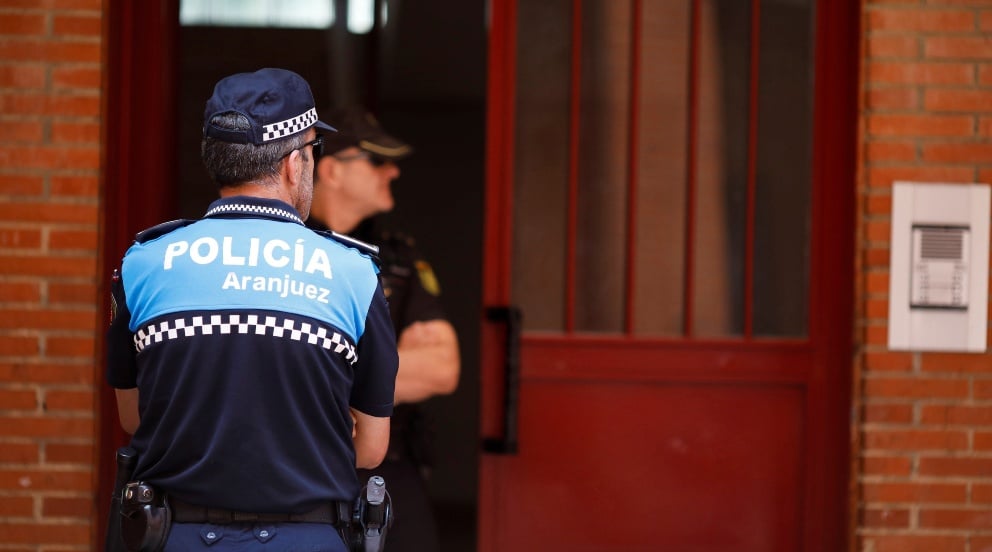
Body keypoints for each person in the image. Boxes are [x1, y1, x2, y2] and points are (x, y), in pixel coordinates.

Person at [104, 68, 398, 551]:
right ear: (292, 164)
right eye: (310, 152)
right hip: (308, 537)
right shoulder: (354, 273)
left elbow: (134, 417)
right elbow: (369, 449)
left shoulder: (143, 263)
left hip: (175, 535)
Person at [307, 106, 460, 552]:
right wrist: (384, 360)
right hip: (301, 461)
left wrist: (313, 366)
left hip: (387, 471)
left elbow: (441, 367)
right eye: (376, 160)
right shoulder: (281, 253)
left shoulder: (393, 258)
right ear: (331, 170)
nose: (392, 171)